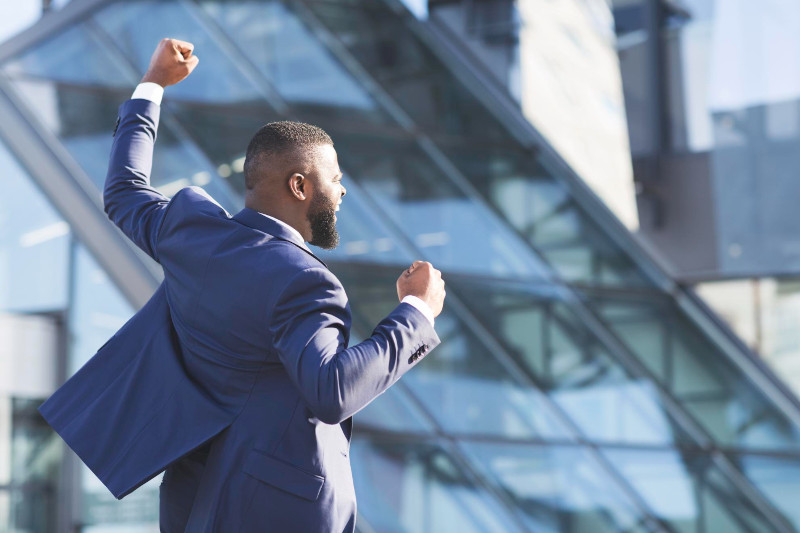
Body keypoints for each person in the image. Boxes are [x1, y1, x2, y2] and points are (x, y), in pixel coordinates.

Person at [39, 38, 445, 532]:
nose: (342, 191)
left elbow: (124, 191)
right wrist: (416, 313)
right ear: (299, 186)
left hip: (197, 500)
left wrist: (153, 85)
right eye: (335, 178)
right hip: (279, 515)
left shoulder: (192, 235)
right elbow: (332, 388)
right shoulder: (305, 282)